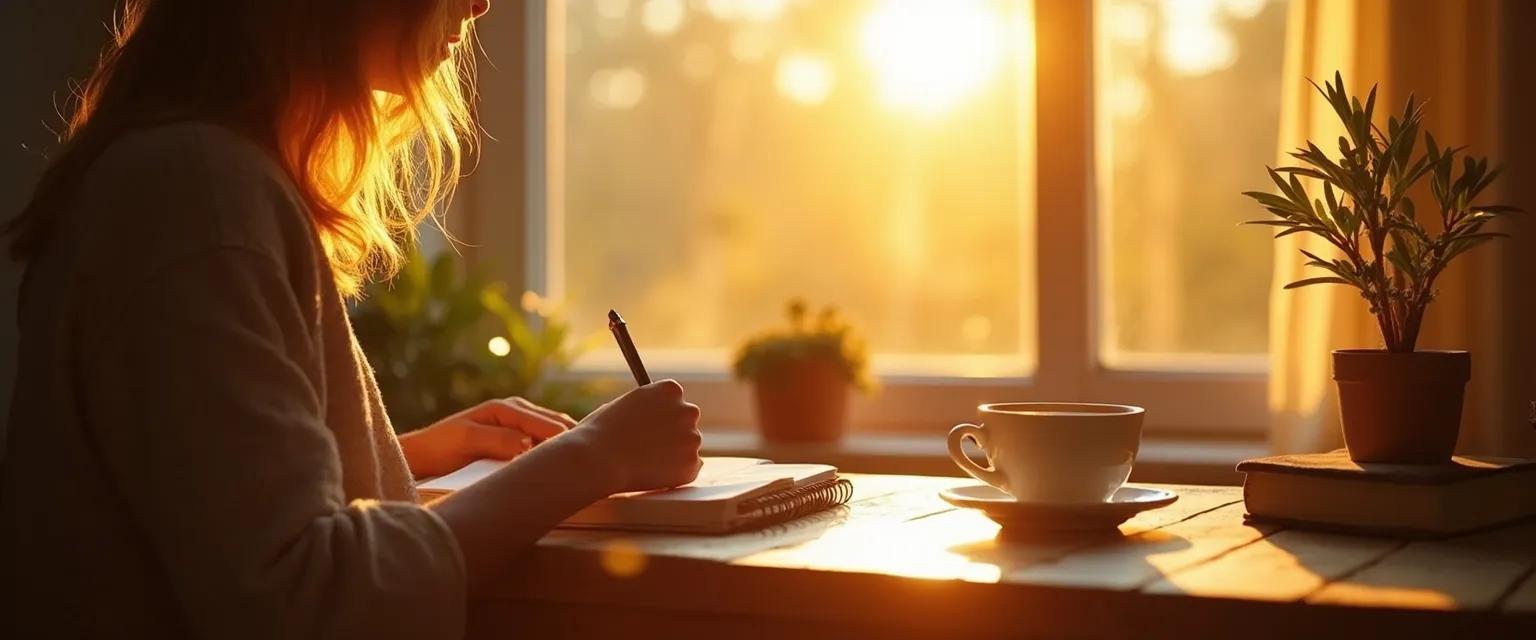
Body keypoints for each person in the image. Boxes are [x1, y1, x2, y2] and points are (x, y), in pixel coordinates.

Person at [0, 0, 704, 637]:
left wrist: (397, 455)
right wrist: (593, 458)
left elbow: (195, 499)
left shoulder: (187, 177)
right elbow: (305, 599)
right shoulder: (198, 198)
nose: (480, 5)